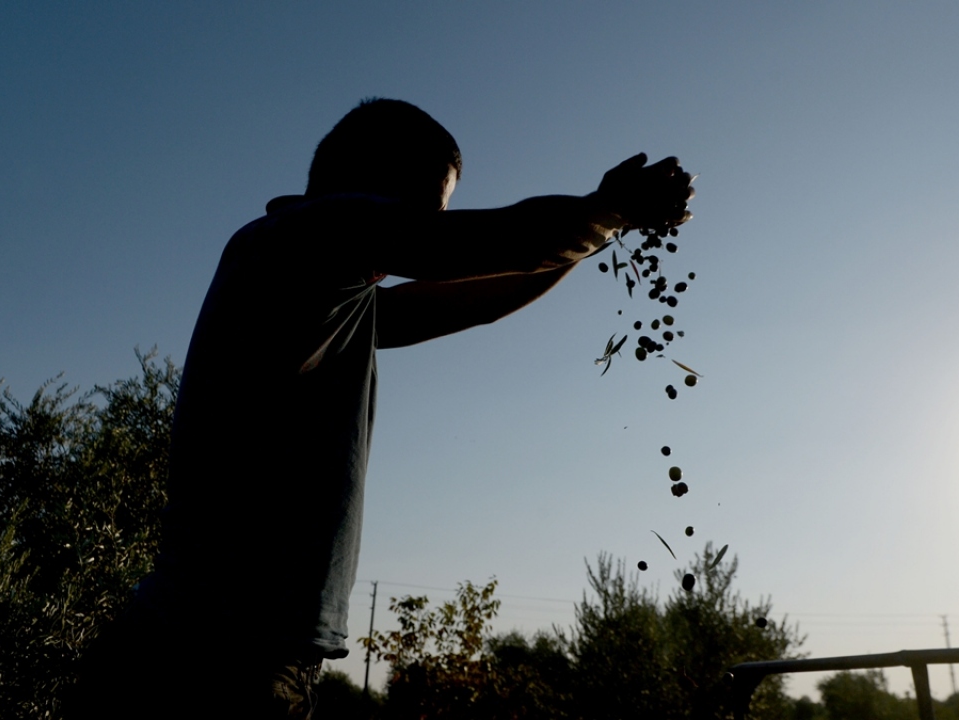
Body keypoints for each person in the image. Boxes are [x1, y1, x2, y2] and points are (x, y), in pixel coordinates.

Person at [67, 98, 694, 719]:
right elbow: (496, 242)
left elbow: (476, 296)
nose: (434, 221)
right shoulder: (299, 238)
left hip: (239, 650)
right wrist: (605, 211)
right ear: (370, 182)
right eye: (428, 206)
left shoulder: (338, 300)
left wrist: (594, 236)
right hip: (208, 655)